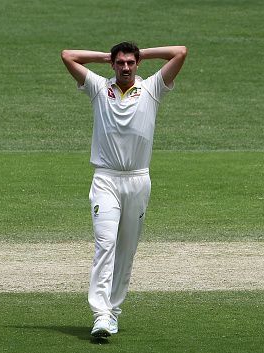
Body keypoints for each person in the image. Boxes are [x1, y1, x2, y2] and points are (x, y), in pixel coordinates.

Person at [61, 42, 187, 338]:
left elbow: (180, 52)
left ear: (137, 63)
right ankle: (100, 314)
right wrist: (105, 56)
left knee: (126, 250)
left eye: (131, 62)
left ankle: (113, 312)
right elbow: (68, 56)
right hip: (106, 179)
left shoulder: (153, 88)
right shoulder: (97, 87)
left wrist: (143, 52)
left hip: (138, 180)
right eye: (120, 63)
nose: (126, 67)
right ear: (112, 65)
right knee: (106, 245)